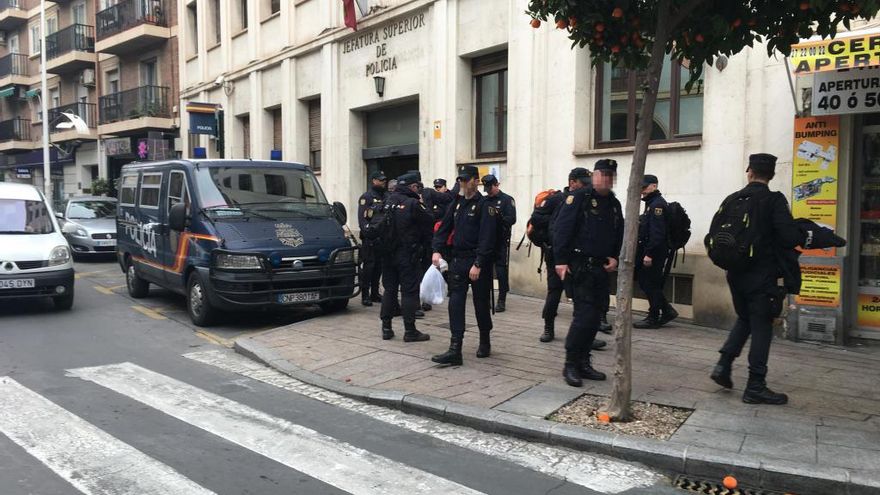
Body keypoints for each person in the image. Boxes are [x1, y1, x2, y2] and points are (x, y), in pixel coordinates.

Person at [709, 154, 802, 405]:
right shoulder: (773, 200)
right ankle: (755, 385)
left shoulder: (733, 199)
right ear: (771, 175)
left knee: (745, 318)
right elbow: (788, 236)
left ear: (749, 171)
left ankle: (723, 365)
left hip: (735, 273)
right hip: (762, 277)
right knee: (762, 325)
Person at [553, 159, 623, 387]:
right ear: (594, 176)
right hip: (580, 265)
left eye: (610, 175)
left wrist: (614, 256)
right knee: (583, 317)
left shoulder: (614, 203)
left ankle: (584, 361)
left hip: (601, 268)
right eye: (602, 174)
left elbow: (618, 232)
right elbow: (562, 229)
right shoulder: (580, 198)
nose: (606, 179)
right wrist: (561, 261)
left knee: (596, 317)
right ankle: (570, 364)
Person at [431, 165, 498, 366]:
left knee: (480, 304)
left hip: (478, 262)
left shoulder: (486, 205)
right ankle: (455, 349)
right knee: (455, 303)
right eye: (460, 180)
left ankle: (485, 339)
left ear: (475, 181)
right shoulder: (457, 204)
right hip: (459, 260)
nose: (462, 183)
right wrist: (436, 249)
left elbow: (488, 238)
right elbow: (443, 228)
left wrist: (478, 263)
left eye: (465, 180)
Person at [379, 173, 433, 342]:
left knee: (390, 290)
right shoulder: (413, 203)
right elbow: (429, 221)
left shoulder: (388, 201)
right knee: (409, 292)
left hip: (387, 254)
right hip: (407, 255)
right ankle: (410, 331)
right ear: (412, 187)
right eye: (417, 186)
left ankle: (386, 328)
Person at [633, 174, 679, 329]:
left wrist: (649, 254)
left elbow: (657, 234)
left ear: (654, 186)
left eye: (645, 187)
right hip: (652, 251)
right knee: (649, 283)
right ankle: (666, 311)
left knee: (649, 283)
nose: (642, 191)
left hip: (655, 253)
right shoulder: (652, 203)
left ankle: (654, 316)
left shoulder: (657, 206)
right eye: (641, 188)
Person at [482, 174, 516, 312]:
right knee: (486, 270)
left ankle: (501, 299)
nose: (489, 192)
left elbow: (512, 219)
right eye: (487, 189)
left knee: (501, 271)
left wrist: (498, 217)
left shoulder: (507, 200)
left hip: (500, 240)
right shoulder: (484, 200)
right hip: (486, 240)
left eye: (490, 188)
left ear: (497, 185)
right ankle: (486, 297)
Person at [357, 171, 387, 306]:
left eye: (384, 180)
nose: (383, 182)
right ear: (374, 181)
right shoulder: (367, 197)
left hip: (381, 238)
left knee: (379, 266)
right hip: (370, 238)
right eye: (381, 180)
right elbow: (362, 219)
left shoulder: (385, 196)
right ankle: (365, 295)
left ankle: (375, 293)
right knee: (369, 267)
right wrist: (368, 234)